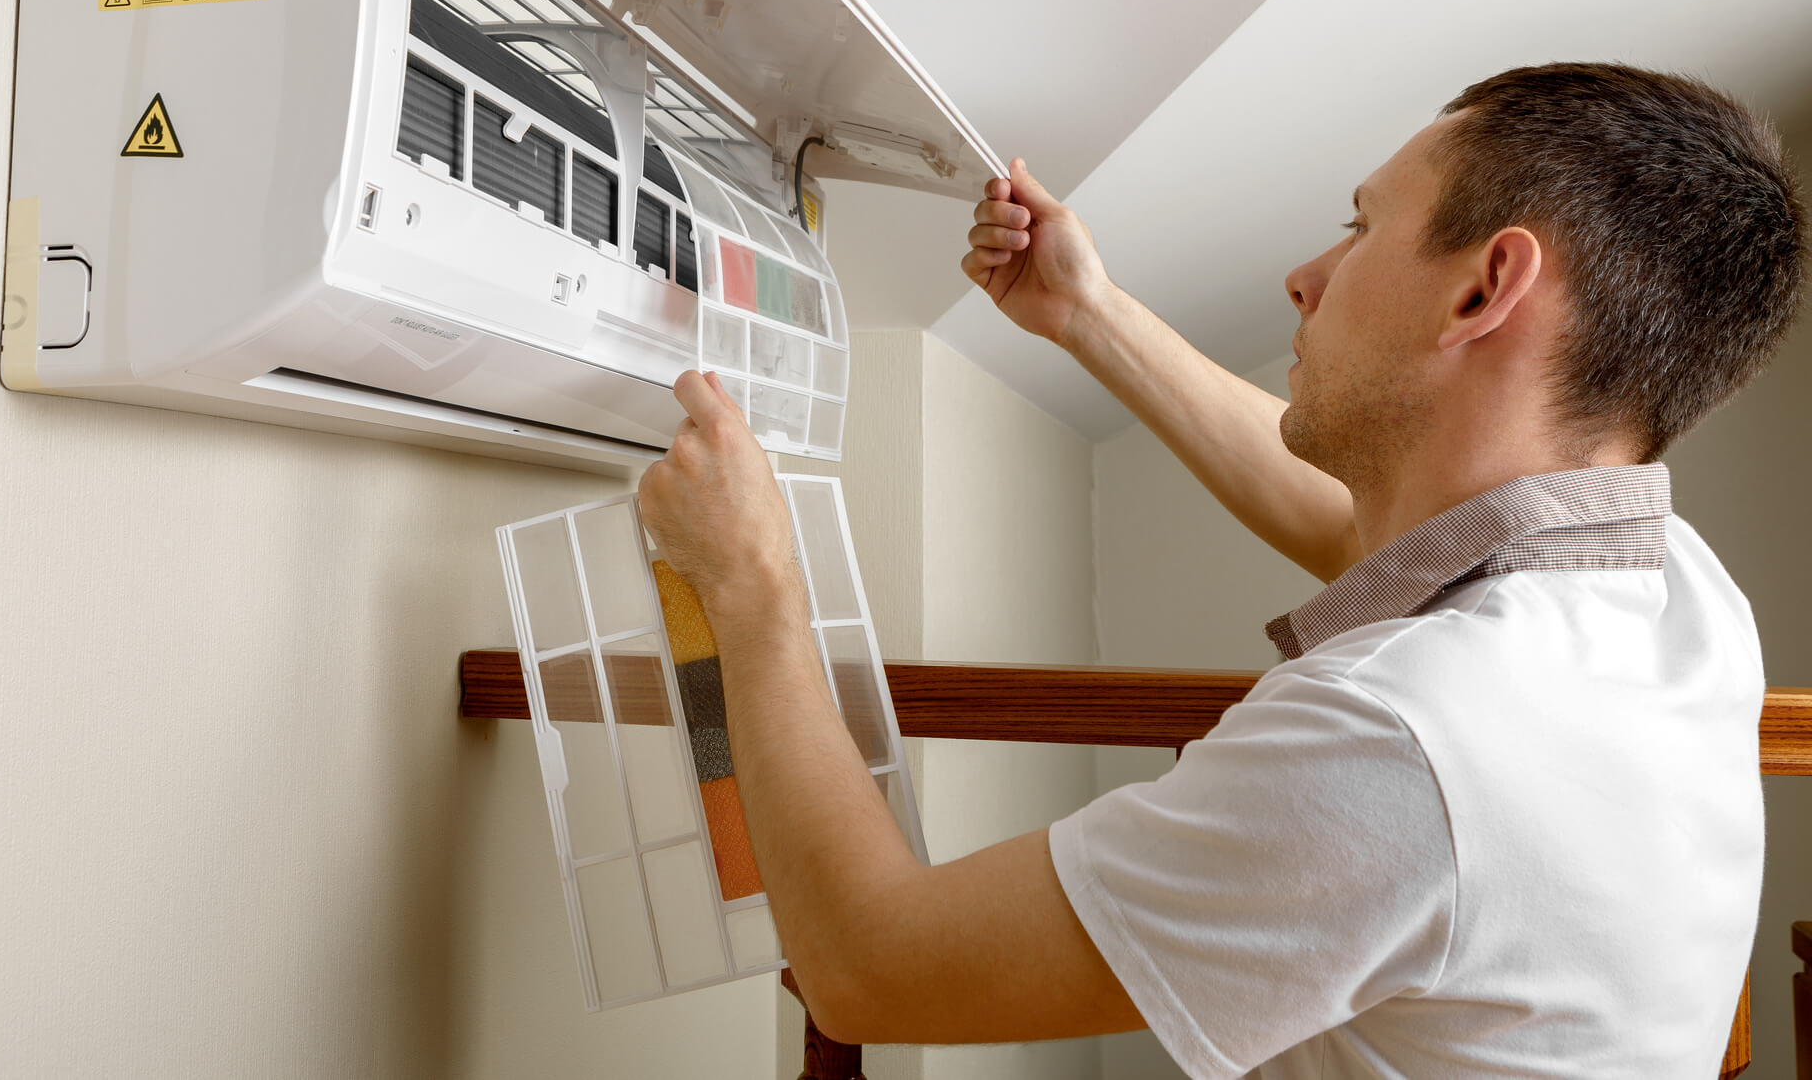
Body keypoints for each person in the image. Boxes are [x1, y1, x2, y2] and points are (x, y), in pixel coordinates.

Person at [637, 63, 1804, 1077]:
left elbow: (869, 966)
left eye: (1357, 226)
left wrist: (748, 583)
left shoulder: (1401, 747)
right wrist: (1087, 314)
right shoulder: (1669, 596)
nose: (1305, 275)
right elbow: (1369, 528)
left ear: (1481, 288)